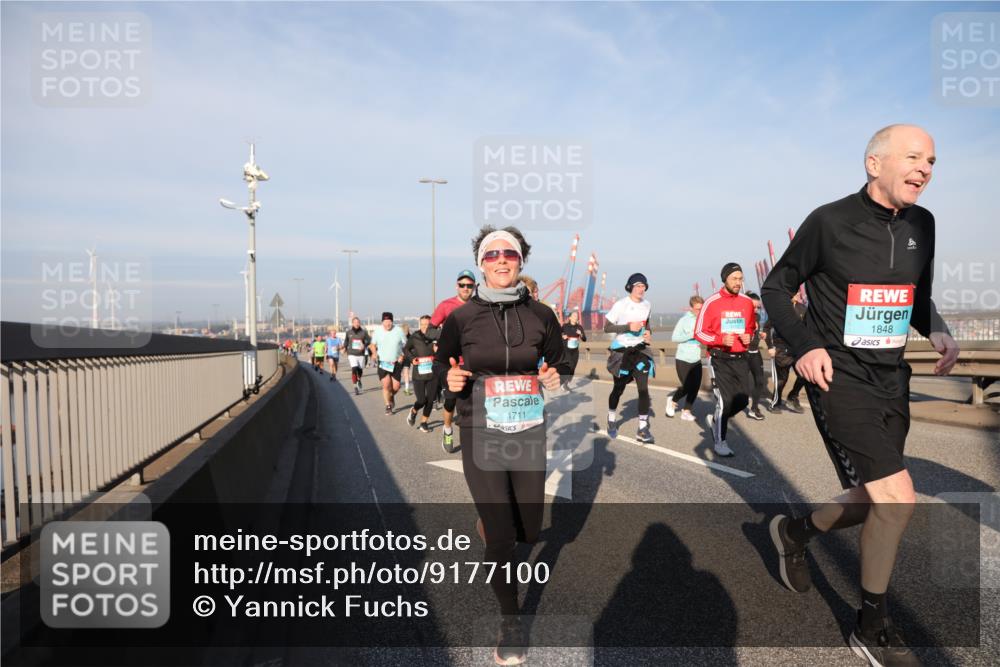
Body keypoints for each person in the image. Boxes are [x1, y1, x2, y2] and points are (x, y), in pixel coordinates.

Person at [761, 124, 959, 666]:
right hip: (838, 379)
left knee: (875, 497)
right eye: (914, 157)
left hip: (892, 381)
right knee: (898, 498)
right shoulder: (830, 221)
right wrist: (803, 345)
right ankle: (872, 627)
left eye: (933, 161)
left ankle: (794, 533)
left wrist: (935, 327)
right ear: (875, 163)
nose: (925, 169)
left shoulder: (924, 223)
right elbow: (776, 286)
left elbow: (916, 295)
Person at [434, 225, 565, 666]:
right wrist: (448, 382)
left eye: (510, 253)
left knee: (530, 528)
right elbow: (440, 363)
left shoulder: (542, 314)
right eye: (492, 255)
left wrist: (555, 374)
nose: (501, 260)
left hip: (527, 426)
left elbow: (563, 355)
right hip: (479, 425)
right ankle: (511, 621)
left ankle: (493, 524)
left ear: (522, 260)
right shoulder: (461, 318)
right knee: (503, 536)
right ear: (481, 263)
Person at [694, 263, 757, 457]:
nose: (738, 282)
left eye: (740, 278)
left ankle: (716, 420)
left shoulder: (746, 302)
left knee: (743, 400)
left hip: (740, 358)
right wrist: (721, 339)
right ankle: (720, 441)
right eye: (734, 279)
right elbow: (699, 332)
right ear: (725, 279)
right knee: (725, 400)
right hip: (719, 359)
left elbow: (751, 328)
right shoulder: (711, 302)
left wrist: (749, 337)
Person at [604, 273, 655, 444]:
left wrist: (648, 334)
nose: (641, 289)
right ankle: (611, 417)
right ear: (630, 287)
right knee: (618, 388)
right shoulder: (621, 305)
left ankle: (642, 429)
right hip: (623, 353)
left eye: (643, 286)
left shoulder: (647, 304)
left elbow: (646, 324)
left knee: (643, 389)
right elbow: (607, 327)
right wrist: (627, 327)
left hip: (641, 351)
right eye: (637, 286)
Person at [430, 270, 476, 453]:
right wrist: (448, 337)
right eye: (462, 285)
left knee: (473, 402)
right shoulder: (446, 305)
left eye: (469, 285)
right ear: (457, 286)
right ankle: (447, 430)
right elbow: (430, 330)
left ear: (474, 287)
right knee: (450, 402)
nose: (466, 288)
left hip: (473, 360)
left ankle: (475, 437)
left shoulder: (479, 305)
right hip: (452, 363)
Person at [764, 292, 808, 413]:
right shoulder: (778, 308)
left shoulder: (803, 308)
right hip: (781, 349)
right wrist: (770, 346)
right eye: (795, 292)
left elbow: (808, 328)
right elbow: (766, 328)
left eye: (798, 291)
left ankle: (793, 396)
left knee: (805, 375)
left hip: (798, 349)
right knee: (782, 379)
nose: (798, 294)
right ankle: (775, 403)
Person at [666, 296, 704, 422]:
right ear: (691, 308)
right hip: (683, 358)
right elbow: (675, 338)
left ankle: (686, 411)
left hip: (696, 358)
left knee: (695, 387)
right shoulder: (684, 320)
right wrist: (691, 334)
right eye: (697, 309)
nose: (700, 311)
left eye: (701, 308)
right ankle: (672, 401)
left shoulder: (703, 320)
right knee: (687, 386)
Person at [404, 315, 439, 433]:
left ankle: (424, 422)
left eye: (427, 324)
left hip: (432, 373)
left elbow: (443, 349)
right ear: (420, 325)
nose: (424, 327)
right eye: (422, 324)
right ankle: (414, 411)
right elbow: (406, 349)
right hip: (419, 374)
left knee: (430, 400)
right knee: (422, 400)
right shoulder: (415, 336)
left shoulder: (436, 337)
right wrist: (412, 359)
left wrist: (438, 350)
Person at [371, 312, 407, 415]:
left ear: (392, 321)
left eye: (390, 321)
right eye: (385, 321)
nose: (388, 324)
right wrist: (374, 353)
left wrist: (402, 355)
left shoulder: (399, 330)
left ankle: (391, 396)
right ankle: (388, 406)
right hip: (383, 362)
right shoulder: (377, 331)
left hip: (396, 362)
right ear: (382, 322)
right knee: (386, 385)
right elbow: (372, 344)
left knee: (396, 387)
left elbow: (406, 345)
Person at [743, 293, 767, 421]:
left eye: (758, 307)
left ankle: (754, 408)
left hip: (755, 353)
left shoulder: (757, 316)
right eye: (754, 307)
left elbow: (755, 333)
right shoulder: (740, 317)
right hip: (743, 353)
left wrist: (760, 334)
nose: (756, 310)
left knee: (760, 381)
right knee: (742, 384)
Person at [343, 317, 371, 395]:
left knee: (360, 370)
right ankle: (355, 386)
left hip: (361, 354)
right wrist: (344, 348)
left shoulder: (363, 332)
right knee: (354, 368)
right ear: (352, 323)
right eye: (355, 322)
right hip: (351, 353)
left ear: (359, 323)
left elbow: (369, 340)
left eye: (358, 322)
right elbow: (346, 341)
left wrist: (364, 345)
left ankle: (359, 379)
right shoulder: (349, 332)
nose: (357, 323)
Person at [560, 309, 587, 390]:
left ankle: (565, 383)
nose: (576, 317)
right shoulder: (564, 326)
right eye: (574, 316)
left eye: (577, 316)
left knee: (573, 367)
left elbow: (584, 339)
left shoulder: (579, 327)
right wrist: (562, 336)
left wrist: (581, 334)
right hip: (566, 349)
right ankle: (562, 381)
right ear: (570, 317)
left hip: (575, 350)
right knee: (569, 366)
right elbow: (559, 334)